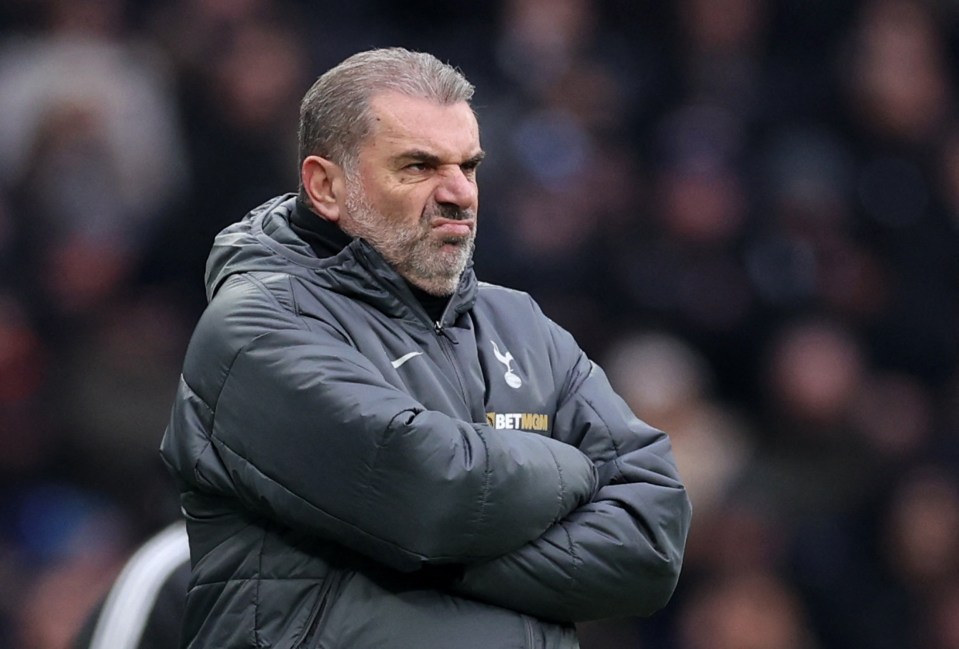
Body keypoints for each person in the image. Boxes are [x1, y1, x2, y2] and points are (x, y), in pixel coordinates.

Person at [160, 47, 692, 649]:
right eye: (418, 166)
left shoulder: (522, 325)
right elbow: (431, 494)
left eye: (469, 166)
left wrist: (426, 556)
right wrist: (571, 467)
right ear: (325, 185)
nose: (458, 194)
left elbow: (652, 538)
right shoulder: (255, 326)